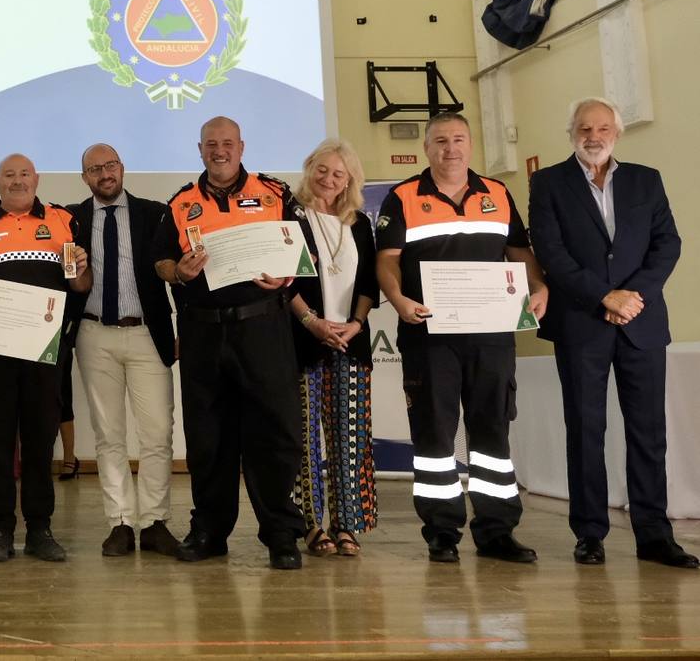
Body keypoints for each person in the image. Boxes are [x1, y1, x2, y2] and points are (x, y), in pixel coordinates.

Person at [529, 97, 695, 568]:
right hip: (581, 323)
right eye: (584, 128)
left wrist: (631, 298)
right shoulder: (548, 183)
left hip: (642, 322)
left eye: (603, 128)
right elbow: (551, 253)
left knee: (648, 432)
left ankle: (654, 536)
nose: (593, 136)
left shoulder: (647, 179)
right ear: (572, 133)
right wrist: (605, 296)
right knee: (586, 430)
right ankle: (589, 534)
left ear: (617, 133)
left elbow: (668, 243)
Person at [376, 112, 548, 564]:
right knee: (434, 435)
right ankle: (441, 532)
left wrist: (539, 286)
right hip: (429, 337)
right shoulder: (403, 196)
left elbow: (519, 252)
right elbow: (387, 259)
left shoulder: (497, 193)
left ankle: (496, 532)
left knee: (492, 433)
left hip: (492, 336)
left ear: (470, 144)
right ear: (426, 148)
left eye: (457, 139)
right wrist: (398, 299)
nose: (449, 149)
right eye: (440, 141)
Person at [152, 116, 309, 570]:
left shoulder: (275, 193)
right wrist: (178, 272)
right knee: (208, 437)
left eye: (227, 143)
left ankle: (280, 533)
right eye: (210, 144)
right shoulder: (181, 202)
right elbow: (160, 261)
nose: (219, 151)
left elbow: (304, 251)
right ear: (200, 149)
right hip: (202, 332)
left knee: (274, 432)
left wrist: (287, 275)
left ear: (241, 147)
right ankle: (209, 531)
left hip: (263, 327)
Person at [0, 153, 91, 562]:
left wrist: (80, 269)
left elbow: (81, 285)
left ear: (37, 179)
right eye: (9, 175)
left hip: (44, 351)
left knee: (39, 439)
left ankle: (39, 528)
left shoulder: (64, 221)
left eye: (24, 174)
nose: (17, 181)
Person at [65, 144, 179, 557]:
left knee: (157, 433)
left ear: (122, 168)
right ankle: (121, 523)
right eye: (95, 169)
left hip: (147, 332)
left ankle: (154, 522)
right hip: (94, 333)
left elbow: (175, 266)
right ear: (85, 178)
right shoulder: (72, 219)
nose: (105, 174)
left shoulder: (155, 213)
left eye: (110, 165)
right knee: (108, 435)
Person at [285, 140, 378, 558]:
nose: (328, 179)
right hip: (303, 340)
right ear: (309, 168)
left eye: (338, 174)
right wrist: (313, 323)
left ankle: (346, 525)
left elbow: (369, 283)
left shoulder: (358, 223)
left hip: (351, 343)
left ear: (349, 181)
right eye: (322, 170)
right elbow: (284, 281)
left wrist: (355, 324)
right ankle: (310, 524)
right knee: (304, 439)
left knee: (349, 438)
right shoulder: (290, 215)